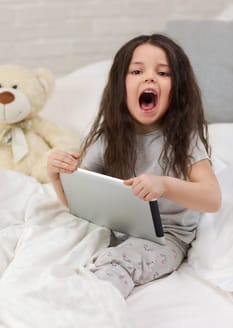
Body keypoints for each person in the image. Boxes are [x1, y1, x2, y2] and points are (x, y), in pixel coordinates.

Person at [47, 33, 221, 298]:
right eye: (137, 70)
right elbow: (78, 205)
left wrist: (164, 185)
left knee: (118, 266)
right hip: (113, 229)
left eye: (163, 73)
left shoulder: (185, 139)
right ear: (121, 85)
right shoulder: (108, 137)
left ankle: (89, 303)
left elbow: (212, 199)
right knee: (52, 252)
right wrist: (57, 176)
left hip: (164, 238)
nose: (149, 78)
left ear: (178, 89)